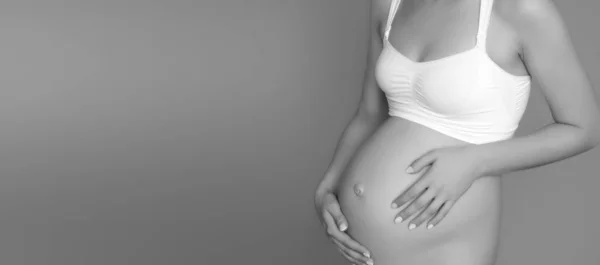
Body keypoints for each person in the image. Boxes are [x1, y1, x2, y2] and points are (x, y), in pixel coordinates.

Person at [313, 0, 600, 264]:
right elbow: (369, 115)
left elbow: (585, 128)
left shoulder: (520, 9)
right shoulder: (389, 4)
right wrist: (328, 187)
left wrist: (475, 161)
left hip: (448, 247)